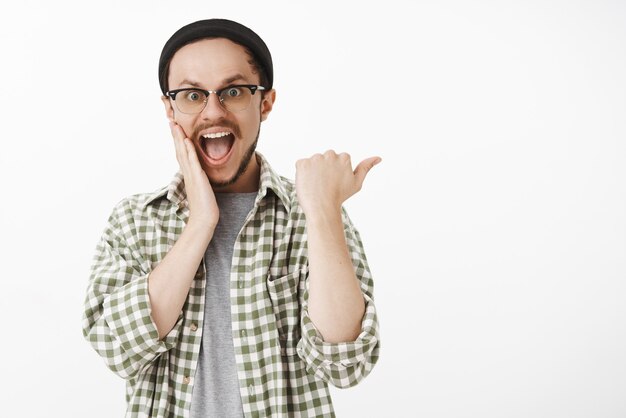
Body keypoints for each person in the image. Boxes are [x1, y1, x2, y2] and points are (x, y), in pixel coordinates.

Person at [82, 18, 380, 418]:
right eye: (191, 95)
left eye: (234, 91)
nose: (212, 112)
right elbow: (115, 347)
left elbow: (345, 363)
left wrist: (323, 212)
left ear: (266, 102)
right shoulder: (135, 220)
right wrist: (202, 221)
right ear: (170, 109)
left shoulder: (311, 213)